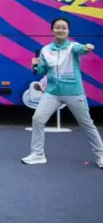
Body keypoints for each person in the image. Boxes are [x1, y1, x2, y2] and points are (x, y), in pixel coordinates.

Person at [22, 17, 102, 167]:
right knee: (38, 119)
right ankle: (38, 154)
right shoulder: (46, 50)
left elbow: (82, 49)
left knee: (87, 124)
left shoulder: (73, 47)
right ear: (52, 30)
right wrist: (35, 66)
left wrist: (87, 47)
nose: (60, 30)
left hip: (74, 93)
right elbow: (42, 71)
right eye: (57, 27)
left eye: (63, 28)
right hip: (52, 93)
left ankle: (101, 155)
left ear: (68, 31)